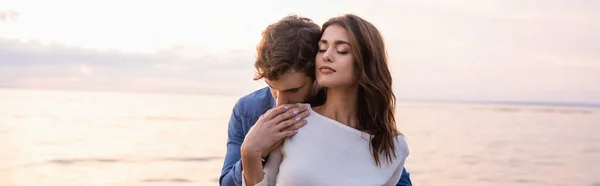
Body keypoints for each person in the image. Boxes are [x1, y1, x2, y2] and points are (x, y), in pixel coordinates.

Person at [219, 15, 412, 186]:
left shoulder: (385, 142)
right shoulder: (249, 110)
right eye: (273, 88)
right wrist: (252, 152)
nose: (279, 104)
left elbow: (389, 171)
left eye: (294, 89)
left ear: (315, 72)